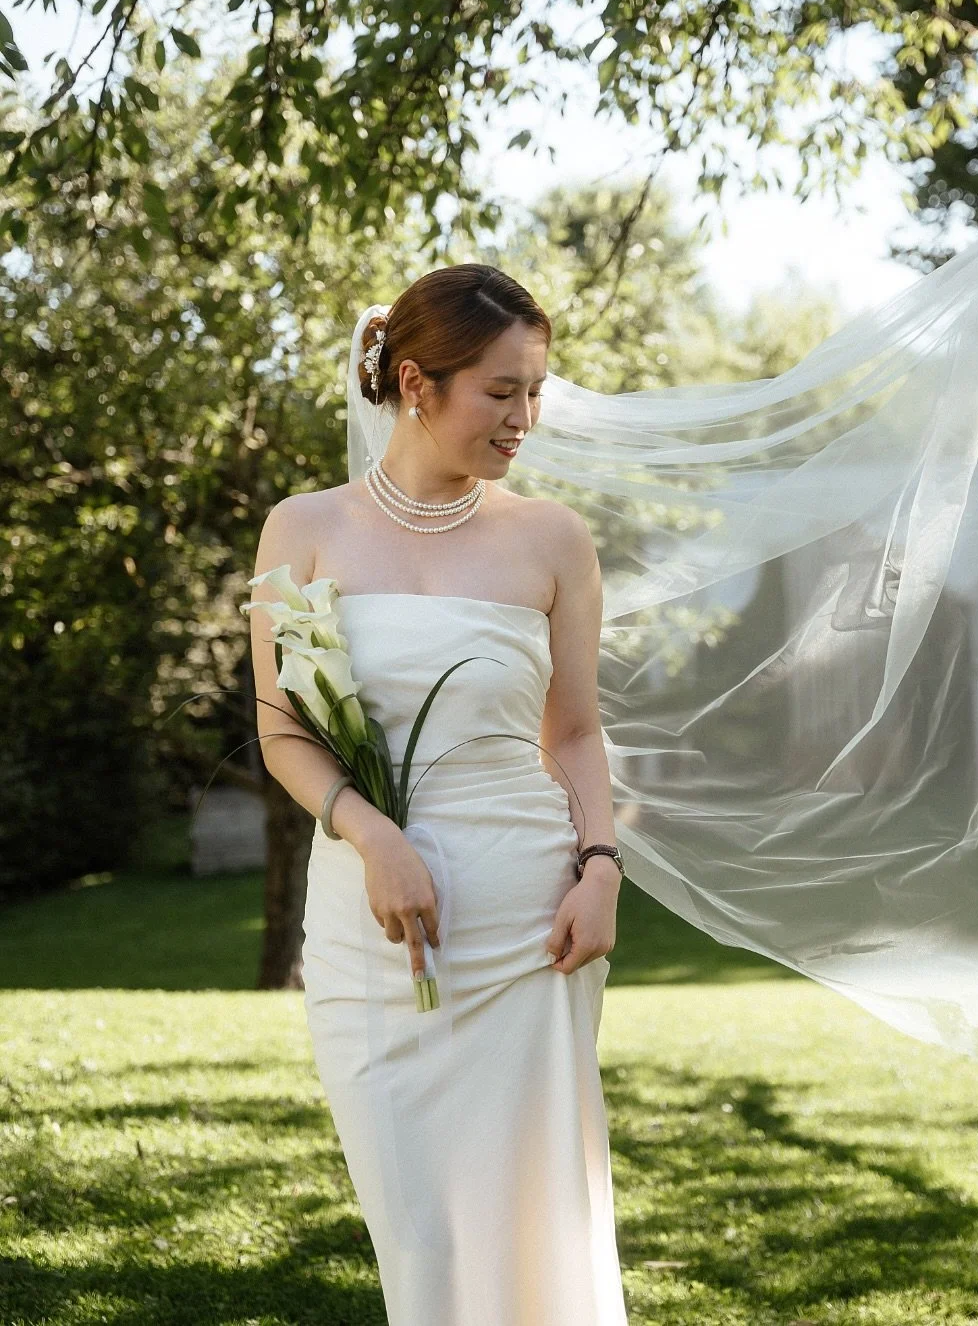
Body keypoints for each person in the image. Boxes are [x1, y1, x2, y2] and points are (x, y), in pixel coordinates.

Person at [248, 265, 630, 1324]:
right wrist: (375, 839)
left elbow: (577, 733)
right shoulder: (304, 528)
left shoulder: (552, 539)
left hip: (526, 918)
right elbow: (285, 730)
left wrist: (601, 867)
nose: (525, 418)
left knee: (536, 1211)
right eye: (500, 391)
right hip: (372, 921)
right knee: (416, 1220)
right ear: (416, 383)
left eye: (535, 390)